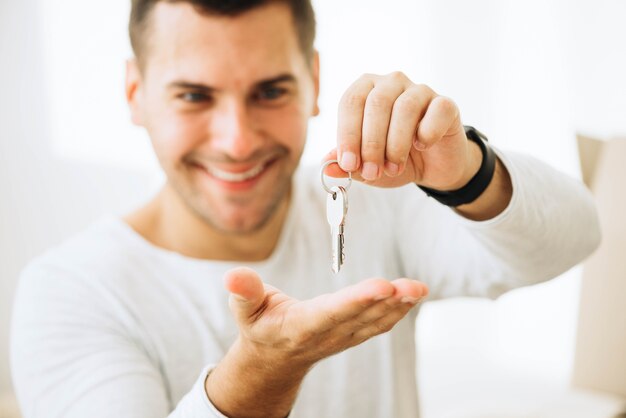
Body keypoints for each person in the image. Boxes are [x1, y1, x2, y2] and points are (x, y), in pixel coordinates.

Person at [10, 1, 600, 417]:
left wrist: (468, 170)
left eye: (271, 91)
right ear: (135, 95)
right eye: (194, 95)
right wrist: (260, 377)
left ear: (314, 81)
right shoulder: (70, 291)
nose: (237, 141)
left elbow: (577, 237)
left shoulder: (383, 204)